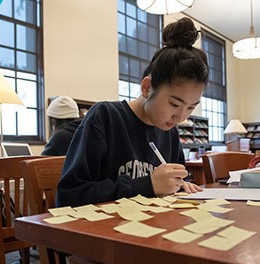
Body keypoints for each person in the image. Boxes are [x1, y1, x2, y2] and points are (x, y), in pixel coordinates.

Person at [56, 17, 209, 207]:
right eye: (174, 104)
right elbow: (69, 195)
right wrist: (147, 185)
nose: (181, 117)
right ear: (147, 87)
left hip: (152, 230)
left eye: (191, 107)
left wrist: (179, 185)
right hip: (102, 232)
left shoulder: (170, 132)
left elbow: (171, 186)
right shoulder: (105, 117)